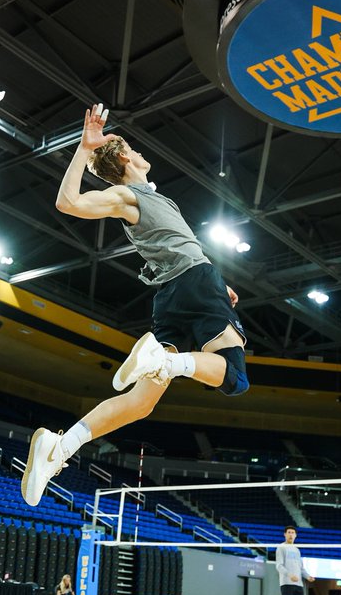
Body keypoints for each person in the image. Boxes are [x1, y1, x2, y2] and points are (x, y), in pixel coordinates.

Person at [20, 104, 248, 506]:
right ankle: (163, 361)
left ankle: (60, 447)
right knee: (233, 377)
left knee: (141, 404)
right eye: (135, 149)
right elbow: (68, 202)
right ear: (126, 156)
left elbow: (175, 245)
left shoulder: (145, 196)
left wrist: (217, 281)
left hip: (174, 295)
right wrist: (84, 148)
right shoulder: (127, 194)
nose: (142, 154)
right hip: (193, 283)